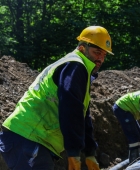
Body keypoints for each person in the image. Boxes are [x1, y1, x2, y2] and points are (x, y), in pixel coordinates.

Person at [0, 26, 113, 170]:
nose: (101, 59)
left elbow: (82, 115)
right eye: (97, 52)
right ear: (82, 48)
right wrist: (73, 153)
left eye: (104, 55)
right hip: (30, 137)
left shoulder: (77, 69)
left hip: (29, 139)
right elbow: (70, 107)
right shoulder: (75, 66)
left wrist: (90, 152)